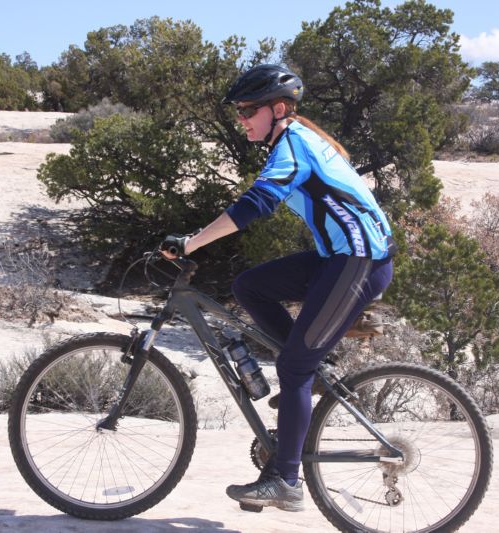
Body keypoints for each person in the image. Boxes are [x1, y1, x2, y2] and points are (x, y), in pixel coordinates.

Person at [161, 64, 396, 512]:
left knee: (292, 368)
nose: (242, 119)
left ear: (281, 109)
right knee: (250, 286)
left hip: (359, 263)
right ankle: (312, 374)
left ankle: (286, 481)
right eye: (239, 112)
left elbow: (256, 204)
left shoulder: (294, 143)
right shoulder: (294, 140)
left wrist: (191, 242)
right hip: (340, 259)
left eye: (249, 110)